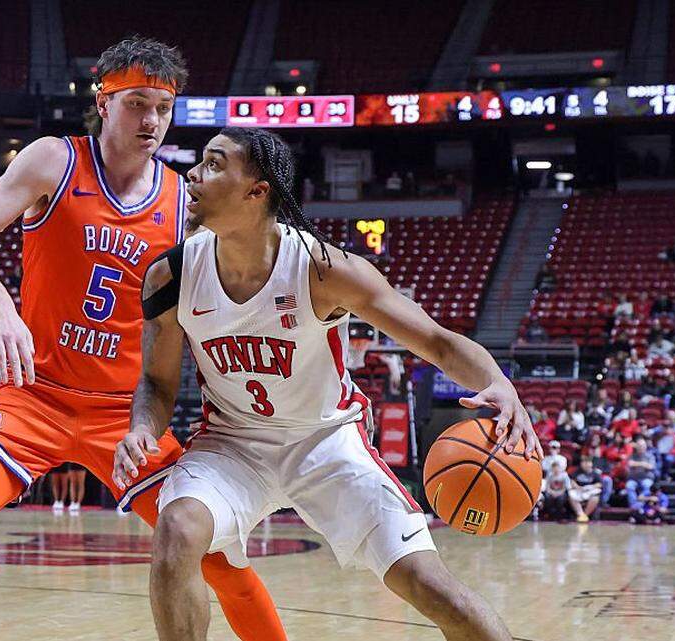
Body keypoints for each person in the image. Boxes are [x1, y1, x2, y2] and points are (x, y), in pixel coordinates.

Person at [0, 38, 286, 641]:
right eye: (136, 104)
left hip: (127, 420)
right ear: (103, 101)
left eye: (162, 106)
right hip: (34, 398)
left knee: (222, 560)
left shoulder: (185, 202)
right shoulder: (54, 160)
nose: (151, 120)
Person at [114, 128, 536, 640]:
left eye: (214, 163)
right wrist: (142, 429)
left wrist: (500, 382)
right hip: (231, 446)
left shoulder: (321, 269)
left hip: (326, 442)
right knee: (178, 529)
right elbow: (156, 384)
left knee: (428, 583)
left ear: (257, 190)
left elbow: (438, 342)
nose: (193, 175)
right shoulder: (172, 275)